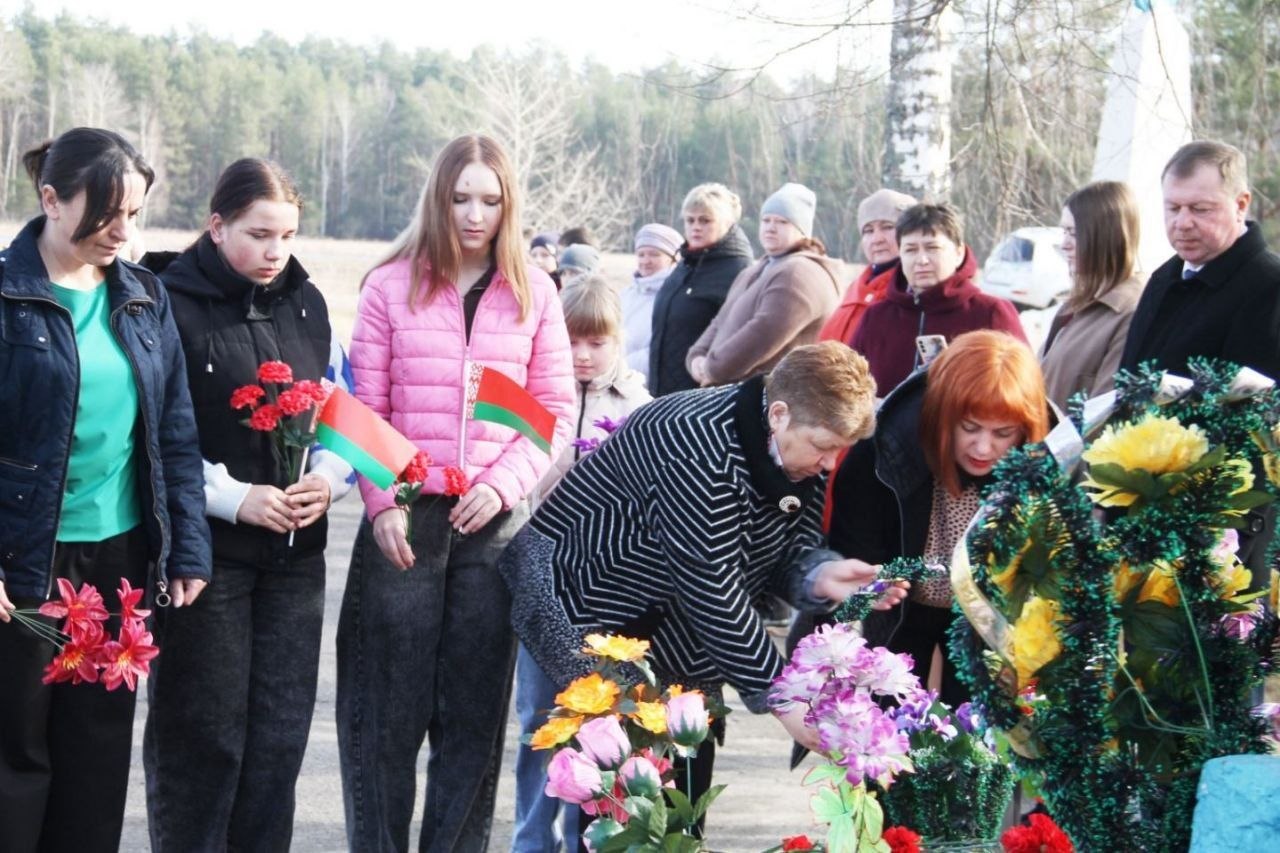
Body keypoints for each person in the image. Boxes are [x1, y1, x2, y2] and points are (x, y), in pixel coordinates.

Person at [500, 342, 907, 798]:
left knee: (682, 799)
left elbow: (788, 547)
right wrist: (782, 694)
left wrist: (819, 574)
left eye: (841, 450)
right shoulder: (695, 443)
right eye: (825, 447)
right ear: (778, 414)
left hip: (678, 632)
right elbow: (710, 585)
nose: (830, 464)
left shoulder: (796, 446)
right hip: (585, 602)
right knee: (619, 804)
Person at [336, 133, 575, 852]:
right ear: (438, 197)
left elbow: (554, 409)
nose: (475, 214)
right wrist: (382, 504)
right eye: (461, 196)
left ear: (510, 205)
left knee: (472, 720)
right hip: (405, 522)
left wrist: (504, 487)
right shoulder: (389, 285)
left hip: (493, 527)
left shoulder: (536, 293)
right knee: (384, 717)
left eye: (491, 200)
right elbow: (363, 405)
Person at [0, 127, 210, 853]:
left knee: (97, 758)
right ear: (51, 200)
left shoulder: (144, 297)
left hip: (117, 558)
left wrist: (186, 547)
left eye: (135, 214)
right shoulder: (4, 295)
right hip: (24, 560)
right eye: (107, 213)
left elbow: (174, 431)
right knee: (14, 757)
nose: (124, 231)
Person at [141, 158, 355, 852]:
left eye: (288, 236)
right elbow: (152, 434)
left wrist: (329, 473)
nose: (275, 252)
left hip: (295, 558)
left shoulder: (308, 302)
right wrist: (235, 499)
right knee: (204, 737)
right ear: (215, 224)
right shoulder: (164, 300)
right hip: (210, 559)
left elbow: (335, 407)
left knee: (278, 738)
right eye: (259, 234)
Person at [829, 330, 1049, 706]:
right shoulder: (884, 446)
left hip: (987, 621)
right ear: (942, 414)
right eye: (969, 428)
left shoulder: (1048, 462)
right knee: (882, 730)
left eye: (1003, 433)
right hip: (896, 610)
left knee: (982, 738)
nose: (983, 447)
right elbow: (850, 551)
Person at [514, 274, 652, 853]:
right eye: (572, 341)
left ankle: (589, 839)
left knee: (599, 723)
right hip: (542, 579)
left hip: (608, 589)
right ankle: (530, 838)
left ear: (618, 341)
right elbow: (516, 486)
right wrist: (561, 468)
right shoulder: (537, 396)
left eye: (597, 342)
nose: (583, 355)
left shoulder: (640, 405)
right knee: (538, 722)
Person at [1120, 139, 1280, 580]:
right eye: (1172, 208)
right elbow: (1130, 386)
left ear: (1240, 203)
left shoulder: (1269, 288)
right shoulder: (1165, 278)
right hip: (1143, 514)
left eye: (1200, 209)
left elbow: (1254, 432)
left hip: (1223, 533)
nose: (1182, 223)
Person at [849, 203, 1027, 397]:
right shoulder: (876, 317)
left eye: (932, 248)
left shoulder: (991, 312)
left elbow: (1022, 387)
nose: (922, 260)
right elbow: (849, 386)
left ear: (958, 253)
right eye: (911, 250)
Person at [686, 182, 841, 385]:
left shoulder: (799, 273)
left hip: (773, 398)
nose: (770, 227)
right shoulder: (755, 270)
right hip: (731, 393)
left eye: (782, 222)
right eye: (766, 220)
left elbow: (763, 332)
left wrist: (713, 368)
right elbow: (720, 321)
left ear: (802, 229)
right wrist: (697, 356)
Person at [1039, 181, 1144, 411]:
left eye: (1074, 234)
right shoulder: (1074, 305)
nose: (1064, 244)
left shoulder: (1131, 313)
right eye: (1064, 231)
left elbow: (1102, 416)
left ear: (1107, 237)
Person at [648, 183, 753, 396]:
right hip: (664, 389)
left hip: (703, 394)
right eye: (690, 220)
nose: (696, 227)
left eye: (705, 220)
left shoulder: (738, 270)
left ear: (726, 222)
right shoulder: (686, 263)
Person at [819, 188, 917, 344]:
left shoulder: (911, 288)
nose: (877, 239)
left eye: (887, 227)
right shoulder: (856, 287)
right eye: (868, 231)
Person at [621, 222, 681, 384]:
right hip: (612, 380)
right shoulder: (627, 293)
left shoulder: (677, 297)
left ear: (673, 259)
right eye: (641, 255)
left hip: (645, 385)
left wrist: (622, 369)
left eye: (654, 254)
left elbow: (661, 349)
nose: (646, 261)